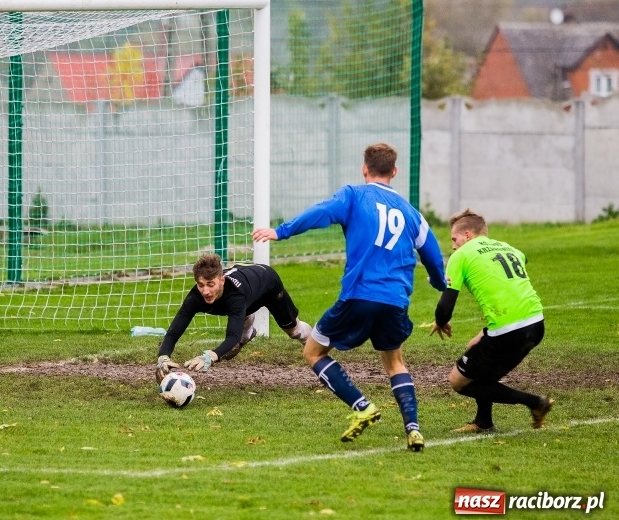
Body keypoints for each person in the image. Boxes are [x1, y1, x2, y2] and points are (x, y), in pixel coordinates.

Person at [253, 143, 447, 451]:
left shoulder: (355, 195)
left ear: (364, 169)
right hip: (396, 299)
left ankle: (362, 406)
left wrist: (283, 231)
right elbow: (434, 259)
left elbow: (322, 212)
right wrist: (439, 284)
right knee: (395, 362)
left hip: (360, 294)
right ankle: (413, 429)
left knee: (313, 352)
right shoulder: (413, 215)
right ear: (394, 172)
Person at [430, 209, 553, 433]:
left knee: (458, 381)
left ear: (467, 235)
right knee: (475, 346)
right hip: (536, 323)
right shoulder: (510, 248)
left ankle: (535, 403)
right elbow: (522, 260)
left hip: (510, 329)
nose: (453, 246)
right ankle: (483, 422)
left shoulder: (461, 255)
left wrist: (440, 321)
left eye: (454, 239)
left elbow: (445, 307)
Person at [155, 253, 311, 383]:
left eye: (210, 284)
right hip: (246, 294)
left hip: (268, 283)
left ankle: (316, 347)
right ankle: (248, 333)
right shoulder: (196, 296)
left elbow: (232, 336)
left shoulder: (235, 296)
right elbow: (174, 331)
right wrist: (163, 357)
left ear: (221, 280)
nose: (205, 291)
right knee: (235, 337)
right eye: (201, 284)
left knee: (294, 331)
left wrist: (210, 356)